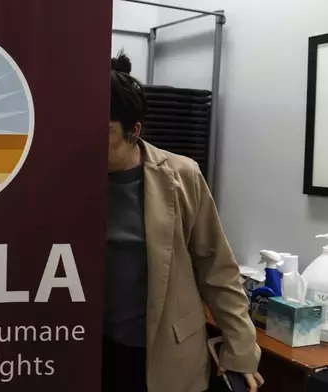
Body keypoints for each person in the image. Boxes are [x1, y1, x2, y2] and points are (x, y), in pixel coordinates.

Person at [103, 53, 264, 392]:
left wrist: (241, 349)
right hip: (88, 348)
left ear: (135, 131)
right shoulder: (66, 182)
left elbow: (216, 267)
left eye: (105, 133)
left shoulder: (180, 175)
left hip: (163, 352)